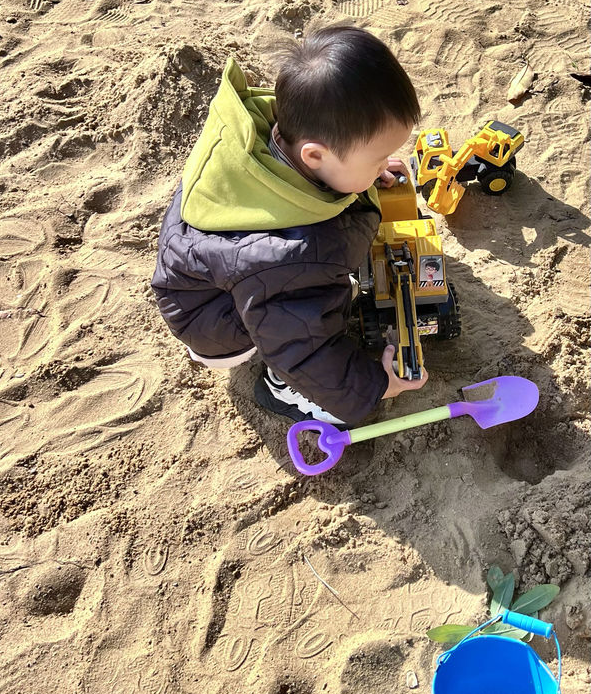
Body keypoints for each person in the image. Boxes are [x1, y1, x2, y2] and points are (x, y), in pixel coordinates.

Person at [152, 25, 428, 426]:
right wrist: (374, 385)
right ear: (315, 156)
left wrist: (367, 171)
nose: (384, 164)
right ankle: (282, 389)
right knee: (302, 327)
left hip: (211, 272)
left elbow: (342, 167)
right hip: (214, 326)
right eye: (377, 157)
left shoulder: (266, 129)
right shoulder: (290, 256)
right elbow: (304, 349)